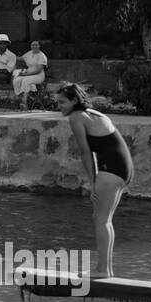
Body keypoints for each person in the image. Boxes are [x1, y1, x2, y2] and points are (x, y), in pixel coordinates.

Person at [57, 82, 132, 278]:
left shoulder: (76, 117)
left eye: (62, 102)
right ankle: (106, 269)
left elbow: (85, 152)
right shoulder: (92, 113)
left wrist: (93, 183)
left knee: (100, 220)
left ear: (74, 101)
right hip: (124, 168)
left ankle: (102, 270)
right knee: (105, 220)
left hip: (112, 169)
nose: (59, 106)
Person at [13, 40, 49, 110]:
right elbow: (20, 58)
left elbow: (38, 71)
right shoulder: (29, 53)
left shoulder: (42, 56)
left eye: (36, 45)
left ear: (39, 46)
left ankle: (24, 102)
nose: (34, 46)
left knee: (26, 80)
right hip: (28, 74)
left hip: (38, 76)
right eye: (32, 45)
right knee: (16, 80)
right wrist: (10, 55)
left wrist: (26, 74)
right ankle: (19, 99)